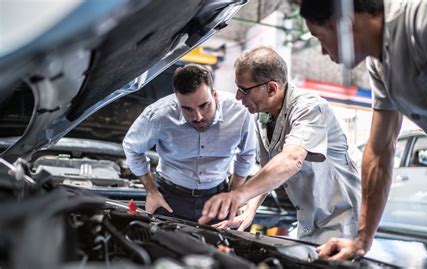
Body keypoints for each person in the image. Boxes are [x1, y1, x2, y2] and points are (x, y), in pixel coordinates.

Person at [300, 0, 427, 264]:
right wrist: (361, 240)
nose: (323, 52)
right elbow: (380, 150)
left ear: (345, 24)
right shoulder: (379, 64)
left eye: (319, 37)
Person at [198, 47, 361, 245]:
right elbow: (269, 171)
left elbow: (292, 159)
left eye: (244, 90)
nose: (238, 97)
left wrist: (238, 195)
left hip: (341, 217)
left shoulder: (310, 108)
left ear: (272, 89)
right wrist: (249, 212)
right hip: (309, 217)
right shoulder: (263, 116)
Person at [123, 64, 257, 222]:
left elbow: (247, 154)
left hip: (219, 198)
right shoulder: (158, 115)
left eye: (204, 106)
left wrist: (234, 194)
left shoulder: (239, 112)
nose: (198, 117)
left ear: (214, 95)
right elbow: (132, 148)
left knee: (218, 247)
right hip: (169, 199)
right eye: (187, 109)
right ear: (177, 101)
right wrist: (151, 191)